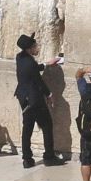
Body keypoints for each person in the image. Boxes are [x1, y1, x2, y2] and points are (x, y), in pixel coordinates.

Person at [15, 33, 63, 169]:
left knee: (27, 128)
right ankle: (49, 157)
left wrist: (46, 64)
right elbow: (39, 81)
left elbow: (35, 68)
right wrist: (49, 94)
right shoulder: (30, 63)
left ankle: (27, 159)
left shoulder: (20, 58)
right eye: (35, 46)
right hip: (34, 100)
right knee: (47, 125)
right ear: (29, 49)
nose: (37, 48)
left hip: (24, 98)